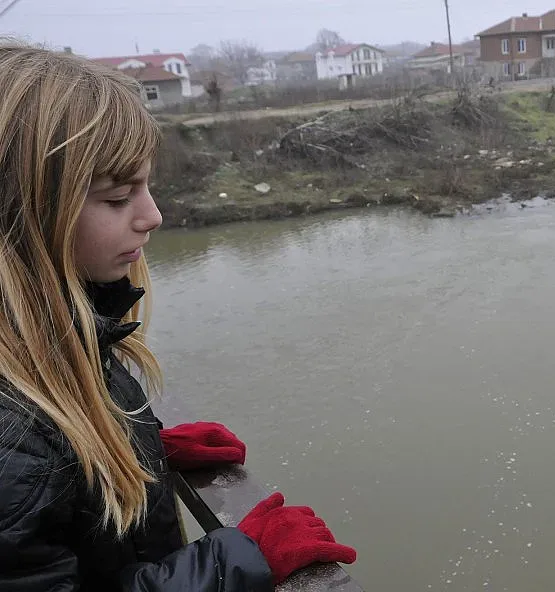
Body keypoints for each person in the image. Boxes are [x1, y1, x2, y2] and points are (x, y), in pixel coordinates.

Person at [0, 44, 356, 591]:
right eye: (118, 198)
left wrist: (125, 441)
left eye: (145, 185)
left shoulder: (53, 340)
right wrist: (235, 560)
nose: (153, 215)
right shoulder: (10, 439)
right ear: (18, 217)